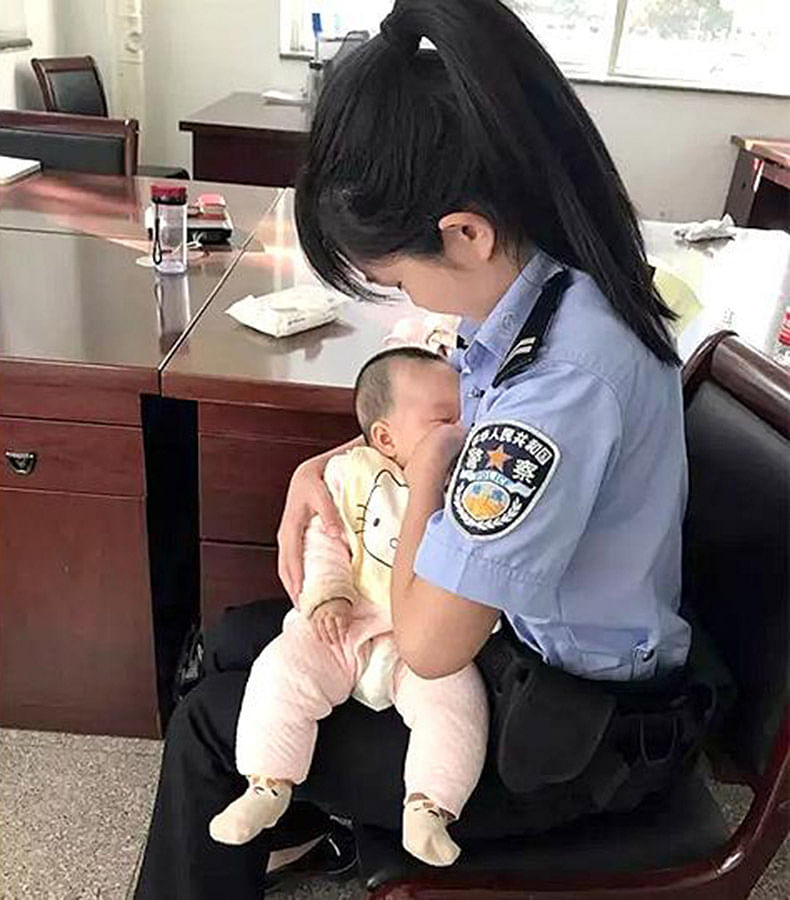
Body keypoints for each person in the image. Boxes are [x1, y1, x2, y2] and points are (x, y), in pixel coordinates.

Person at [135, 1, 692, 897]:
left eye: (397, 279)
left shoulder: (560, 386)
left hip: (574, 735)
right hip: (529, 651)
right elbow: (461, 424)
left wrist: (419, 476)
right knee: (241, 639)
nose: (410, 305)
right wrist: (318, 471)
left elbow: (430, 644)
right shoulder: (556, 282)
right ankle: (309, 811)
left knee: (209, 723)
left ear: (464, 231)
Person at [209, 348, 488, 867]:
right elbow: (326, 539)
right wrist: (329, 595)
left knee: (455, 705)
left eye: (467, 416)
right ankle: (268, 784)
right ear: (384, 437)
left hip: (423, 642)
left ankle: (430, 805)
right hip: (349, 622)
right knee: (281, 670)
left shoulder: (469, 478)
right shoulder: (351, 475)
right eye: (446, 420)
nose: (463, 429)